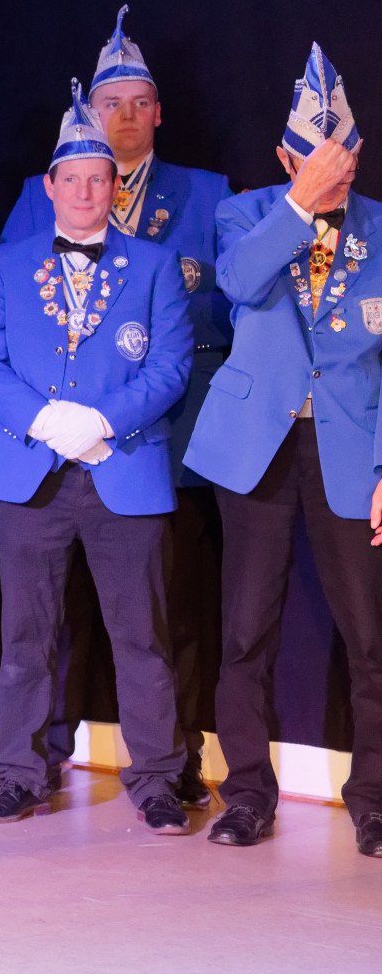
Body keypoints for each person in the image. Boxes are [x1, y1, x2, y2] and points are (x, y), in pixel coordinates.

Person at [2, 6, 232, 804]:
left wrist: (115, 409)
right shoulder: (34, 207)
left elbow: (221, 317)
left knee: (165, 617)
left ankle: (173, 762)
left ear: (158, 111)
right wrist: (51, 417)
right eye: (111, 103)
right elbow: (9, 321)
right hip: (45, 449)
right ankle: (35, 760)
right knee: (42, 622)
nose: (125, 116)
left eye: (139, 103)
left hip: (163, 440)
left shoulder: (205, 195)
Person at [0, 83, 193, 833]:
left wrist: (100, 420)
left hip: (124, 470)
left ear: (114, 185)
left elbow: (171, 368)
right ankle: (20, 774)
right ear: (50, 186)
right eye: (74, 179)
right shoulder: (6, 262)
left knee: (142, 637)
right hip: (31, 473)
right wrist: (44, 419)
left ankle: (157, 779)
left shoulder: (155, 265)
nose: (87, 191)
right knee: (25, 638)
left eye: (100, 179)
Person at [182, 44, 382, 857]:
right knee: (244, 631)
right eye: (312, 165)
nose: (332, 179)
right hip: (257, 444)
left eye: (341, 166)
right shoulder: (247, 214)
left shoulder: (380, 228)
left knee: (369, 637)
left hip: (351, 447)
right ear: (285, 158)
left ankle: (373, 799)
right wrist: (301, 204)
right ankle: (247, 795)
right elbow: (237, 284)